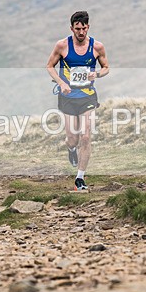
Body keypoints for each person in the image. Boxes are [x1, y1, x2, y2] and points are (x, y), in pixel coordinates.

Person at [46, 11, 110, 191]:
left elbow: (106, 67)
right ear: (72, 28)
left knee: (86, 136)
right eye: (77, 29)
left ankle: (80, 178)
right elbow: (49, 66)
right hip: (67, 97)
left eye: (83, 28)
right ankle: (71, 150)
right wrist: (60, 83)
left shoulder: (97, 47)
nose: (80, 32)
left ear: (88, 27)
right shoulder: (62, 46)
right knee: (72, 138)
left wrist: (96, 73)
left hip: (88, 96)